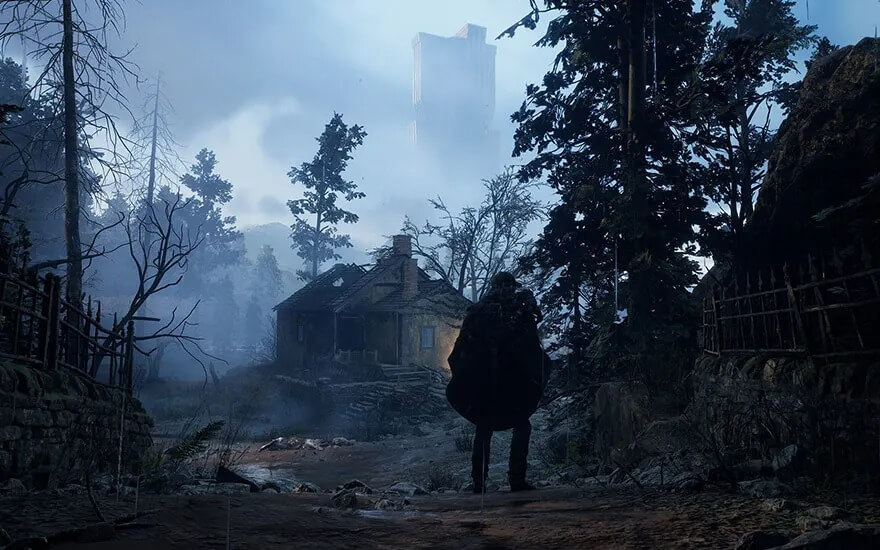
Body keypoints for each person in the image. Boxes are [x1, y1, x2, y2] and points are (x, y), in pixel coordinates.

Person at [446, 271, 550, 494]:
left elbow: (460, 352)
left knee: (496, 428)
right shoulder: (501, 312)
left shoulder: (486, 312)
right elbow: (463, 349)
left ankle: (487, 483)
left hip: (499, 385)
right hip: (499, 384)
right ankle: (507, 481)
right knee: (508, 427)